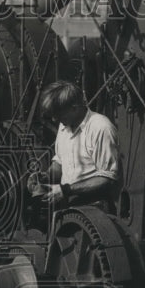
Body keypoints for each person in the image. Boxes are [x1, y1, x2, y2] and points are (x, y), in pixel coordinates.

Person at [32, 80, 121, 210]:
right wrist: (45, 177)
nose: (54, 120)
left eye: (58, 114)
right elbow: (60, 164)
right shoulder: (64, 126)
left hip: (96, 207)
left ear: (74, 108)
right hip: (67, 205)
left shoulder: (100, 128)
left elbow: (107, 179)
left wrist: (66, 190)